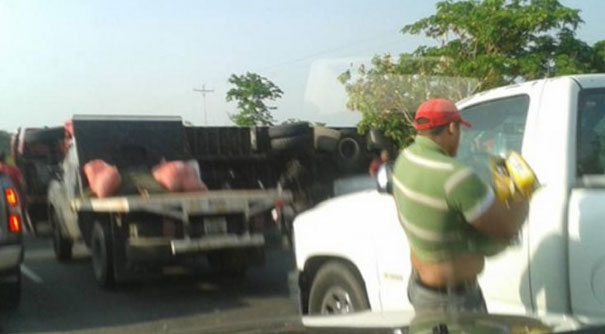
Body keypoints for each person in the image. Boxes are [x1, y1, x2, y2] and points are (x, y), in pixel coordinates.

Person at [392, 98, 529, 313]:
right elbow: (507, 227)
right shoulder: (455, 177)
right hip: (452, 302)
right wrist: (523, 194)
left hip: (420, 286)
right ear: (452, 128)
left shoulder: (405, 160)